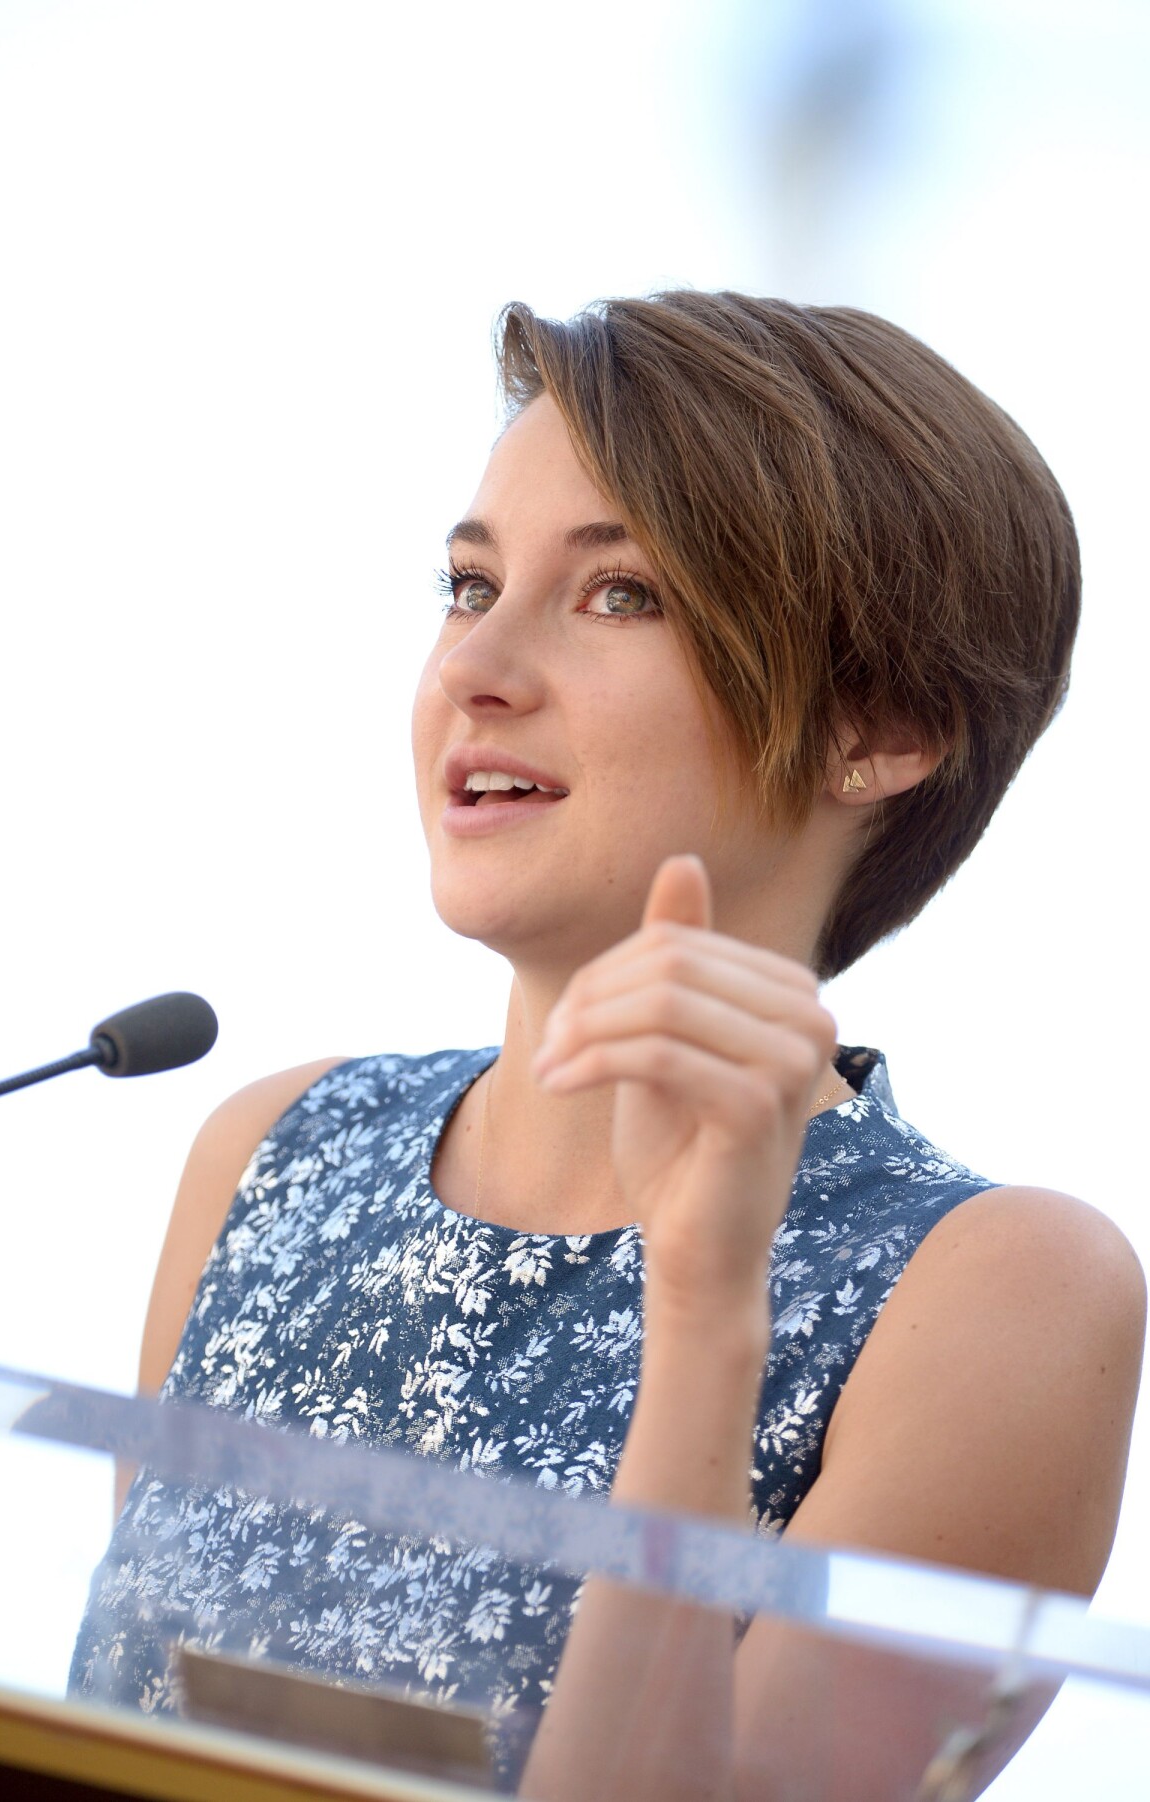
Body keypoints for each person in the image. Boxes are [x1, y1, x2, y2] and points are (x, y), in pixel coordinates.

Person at [71, 291, 1144, 1800]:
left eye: (619, 593)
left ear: (881, 722)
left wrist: (704, 1318)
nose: (474, 670)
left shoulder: (1003, 1294)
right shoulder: (270, 1147)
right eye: (465, 583)